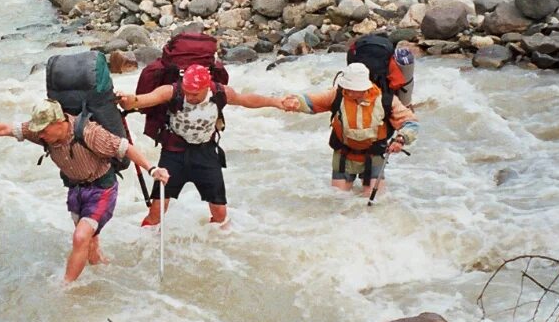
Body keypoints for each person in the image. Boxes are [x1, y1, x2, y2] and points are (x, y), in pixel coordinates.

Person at [0, 100, 168, 283]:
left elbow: (125, 148)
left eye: (44, 130)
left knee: (80, 237)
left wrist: (152, 169)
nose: (40, 135)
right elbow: (4, 129)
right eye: (38, 130)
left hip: (101, 188)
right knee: (89, 242)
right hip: (76, 189)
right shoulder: (41, 133)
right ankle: (103, 271)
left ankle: (66, 287)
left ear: (60, 123)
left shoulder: (89, 132)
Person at [118, 64, 287, 227]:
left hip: (206, 153)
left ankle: (215, 245)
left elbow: (246, 100)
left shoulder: (220, 92)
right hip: (174, 153)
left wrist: (276, 102)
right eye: (187, 93)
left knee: (220, 214)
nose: (190, 97)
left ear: (207, 87)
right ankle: (144, 246)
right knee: (156, 212)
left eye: (195, 94)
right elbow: (143, 100)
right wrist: (127, 100)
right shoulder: (172, 91)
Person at [281, 62, 418, 198]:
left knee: (375, 202)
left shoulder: (385, 101)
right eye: (347, 87)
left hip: (374, 156)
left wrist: (401, 139)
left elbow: (410, 123)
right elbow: (311, 101)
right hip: (344, 155)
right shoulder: (338, 95)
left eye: (354, 89)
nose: (349, 91)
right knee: (338, 200)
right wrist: (296, 102)